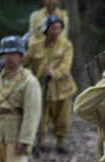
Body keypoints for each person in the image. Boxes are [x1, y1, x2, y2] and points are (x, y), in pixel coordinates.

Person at [24, 14, 76, 154]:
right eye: (53, 28)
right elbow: (24, 62)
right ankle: (38, 143)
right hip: (41, 88)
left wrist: (55, 73)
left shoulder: (66, 45)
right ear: (47, 30)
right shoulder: (36, 46)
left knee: (62, 118)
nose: (56, 31)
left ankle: (60, 143)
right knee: (41, 117)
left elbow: (66, 65)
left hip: (62, 88)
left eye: (59, 28)